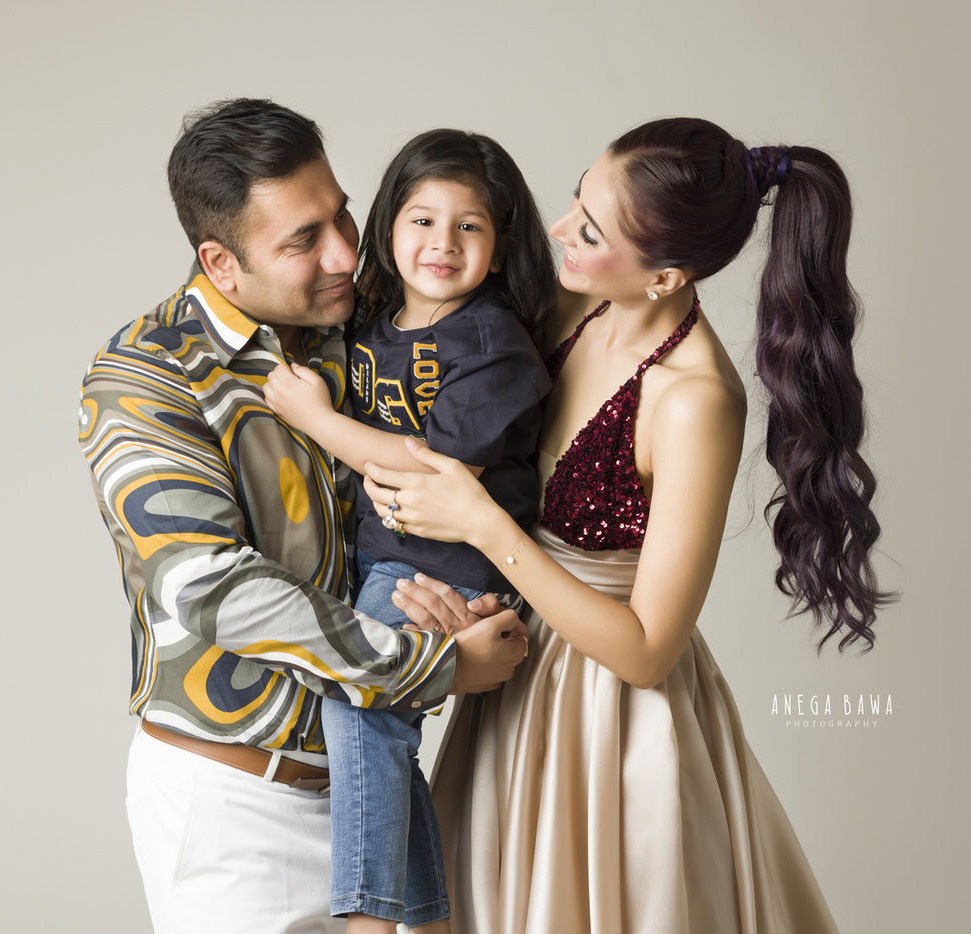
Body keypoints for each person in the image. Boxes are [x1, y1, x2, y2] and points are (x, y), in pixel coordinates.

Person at [360, 117, 899, 933]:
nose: (554, 232)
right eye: (578, 198)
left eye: (590, 229)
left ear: (666, 276)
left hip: (610, 725)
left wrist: (484, 529)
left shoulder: (693, 400)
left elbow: (649, 650)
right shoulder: (573, 311)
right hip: (511, 680)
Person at [76, 98, 528, 934]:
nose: (345, 255)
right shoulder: (143, 378)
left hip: (381, 785)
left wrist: (464, 597)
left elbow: (458, 482)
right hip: (236, 812)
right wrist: (431, 667)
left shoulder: (365, 332)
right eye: (302, 241)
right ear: (220, 261)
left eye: (343, 216)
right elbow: (213, 589)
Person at [262, 128, 555, 933]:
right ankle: (425, 922)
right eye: (423, 219)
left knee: (363, 694)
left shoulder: (494, 345)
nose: (443, 242)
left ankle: (366, 919)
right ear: (388, 225)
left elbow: (434, 474)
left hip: (447, 570)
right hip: (380, 561)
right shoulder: (370, 321)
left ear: (498, 251)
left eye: (470, 226)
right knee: (378, 721)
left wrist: (318, 421)